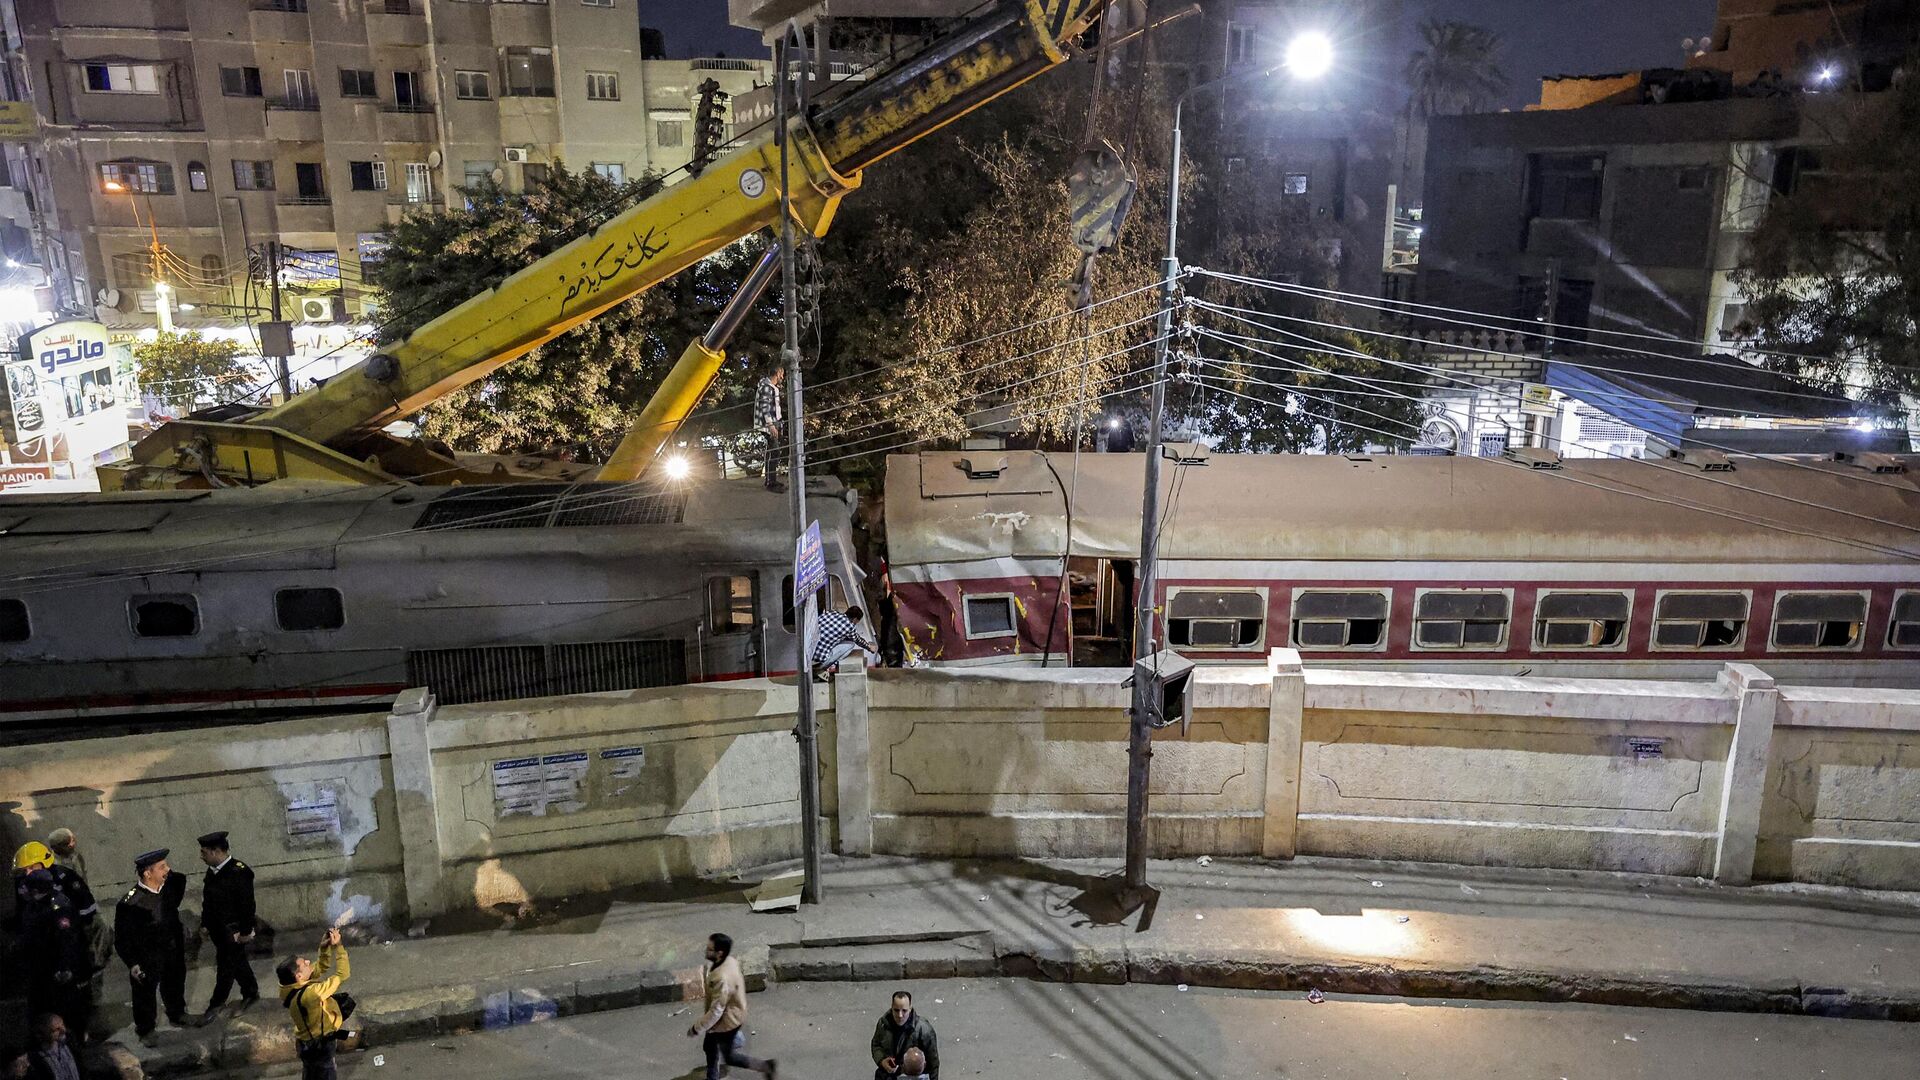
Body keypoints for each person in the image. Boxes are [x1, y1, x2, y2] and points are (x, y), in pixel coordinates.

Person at [114, 849, 189, 1044]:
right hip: (147, 957)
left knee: (174, 982)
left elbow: (181, 879)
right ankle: (146, 1029)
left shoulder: (169, 888)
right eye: (162, 867)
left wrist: (166, 873)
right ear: (148, 873)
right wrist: (132, 963)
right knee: (144, 994)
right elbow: (122, 939)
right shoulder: (130, 903)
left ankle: (177, 1013)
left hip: (172, 950)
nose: (168, 869)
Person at [685, 932, 776, 1080]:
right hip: (735, 1015)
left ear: (719, 953)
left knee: (720, 1053)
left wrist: (697, 1027)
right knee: (712, 1047)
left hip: (724, 1022)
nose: (706, 951)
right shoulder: (729, 961)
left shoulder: (721, 979)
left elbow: (716, 1011)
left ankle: (764, 1066)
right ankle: (736, 1041)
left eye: (709, 949)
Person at [16, 871, 92, 1042]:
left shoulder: (59, 906)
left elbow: (67, 939)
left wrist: (65, 967)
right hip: (40, 969)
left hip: (57, 970)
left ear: (35, 889)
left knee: (66, 1008)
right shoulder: (33, 906)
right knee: (40, 1008)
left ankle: (75, 1040)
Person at [277, 927, 357, 1080]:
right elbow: (342, 974)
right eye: (304, 964)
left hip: (305, 1044)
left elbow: (321, 966)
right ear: (299, 976)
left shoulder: (287, 988)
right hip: (321, 1045)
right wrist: (339, 946)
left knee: (311, 1073)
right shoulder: (312, 994)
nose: (308, 961)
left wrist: (324, 947)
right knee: (327, 1073)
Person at [196, 831, 259, 1022]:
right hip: (218, 930)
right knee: (238, 962)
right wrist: (205, 925)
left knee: (225, 967)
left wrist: (246, 932)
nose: (201, 856)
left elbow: (247, 905)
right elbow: (208, 902)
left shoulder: (239, 872)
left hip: (234, 931)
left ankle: (216, 1003)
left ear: (216, 852)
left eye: (204, 852)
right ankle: (251, 992)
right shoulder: (213, 871)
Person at [870, 989, 938, 1080]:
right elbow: (876, 1044)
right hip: (888, 1074)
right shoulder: (883, 1024)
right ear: (892, 1007)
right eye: (896, 1010)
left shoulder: (924, 1030)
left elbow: (933, 1063)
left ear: (910, 1008)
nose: (900, 1015)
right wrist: (882, 1061)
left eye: (904, 1011)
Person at [813, 605, 878, 679]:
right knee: (851, 644)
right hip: (819, 662)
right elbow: (858, 640)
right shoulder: (849, 626)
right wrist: (869, 647)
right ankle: (826, 667)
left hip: (809, 657)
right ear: (855, 619)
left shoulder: (831, 613)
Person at [755, 363, 785, 492]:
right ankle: (770, 482)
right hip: (769, 424)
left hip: (773, 422)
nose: (782, 377)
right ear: (777, 373)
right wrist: (771, 425)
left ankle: (770, 480)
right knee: (774, 451)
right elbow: (765, 408)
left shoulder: (770, 387)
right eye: (782, 374)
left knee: (771, 451)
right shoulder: (767, 388)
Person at [25, 1015, 79, 1080]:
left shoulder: (69, 1045)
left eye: (62, 1025)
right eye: (57, 1029)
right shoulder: (37, 1058)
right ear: (41, 1034)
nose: (63, 1030)